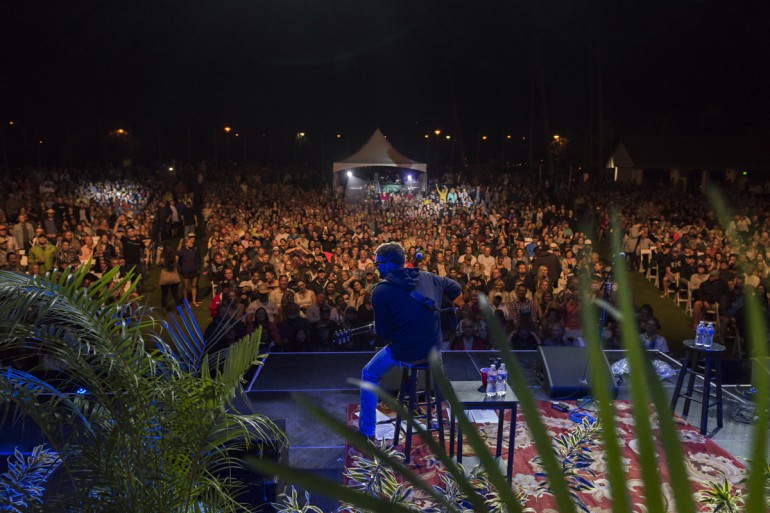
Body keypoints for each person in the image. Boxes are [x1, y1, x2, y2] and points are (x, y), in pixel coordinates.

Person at [358, 242, 462, 441]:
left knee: (369, 374)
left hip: (405, 353)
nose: (376, 266)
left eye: (378, 263)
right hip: (433, 350)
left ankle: (367, 432)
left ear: (389, 264)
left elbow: (384, 334)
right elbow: (456, 288)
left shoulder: (380, 291)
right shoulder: (429, 277)